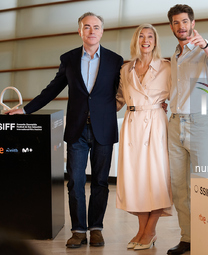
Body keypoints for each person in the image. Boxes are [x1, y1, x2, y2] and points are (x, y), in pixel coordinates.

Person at [5, 12, 124, 248]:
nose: (92, 31)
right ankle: (79, 230)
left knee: (100, 182)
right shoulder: (69, 59)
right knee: (75, 182)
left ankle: (96, 229)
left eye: (96, 27)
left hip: (104, 129)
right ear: (79, 31)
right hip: (77, 130)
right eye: (86, 27)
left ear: (102, 31)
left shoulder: (115, 60)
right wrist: (26, 110)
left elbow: (128, 89)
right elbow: (52, 89)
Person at [166, 4, 208, 255]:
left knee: (202, 184)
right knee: (180, 187)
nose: (181, 26)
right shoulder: (175, 55)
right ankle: (188, 238)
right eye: (176, 22)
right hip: (174, 122)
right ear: (171, 26)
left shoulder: (204, 49)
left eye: (184, 21)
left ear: (193, 23)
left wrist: (204, 45)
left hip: (199, 122)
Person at [115, 23, 172, 250]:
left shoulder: (167, 67)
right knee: (135, 179)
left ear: (155, 41)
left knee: (156, 177)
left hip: (155, 123)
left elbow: (180, 92)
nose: (146, 40)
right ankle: (141, 230)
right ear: (135, 41)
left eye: (150, 36)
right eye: (141, 36)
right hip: (131, 124)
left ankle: (150, 231)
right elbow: (119, 99)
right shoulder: (126, 69)